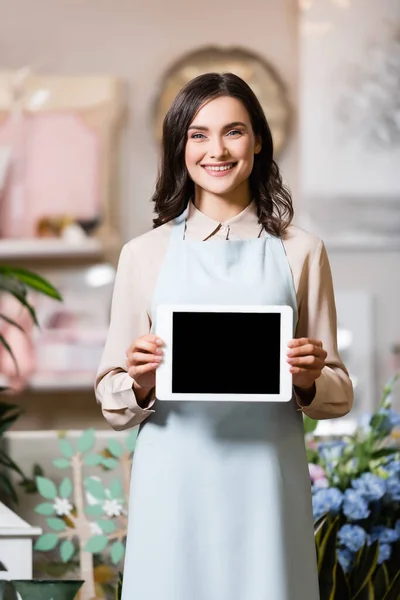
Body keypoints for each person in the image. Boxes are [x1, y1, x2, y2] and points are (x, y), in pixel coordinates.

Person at [95, 72, 353, 600]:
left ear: (258, 140)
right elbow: (110, 399)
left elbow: (339, 392)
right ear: (179, 147)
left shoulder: (302, 251)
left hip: (266, 482)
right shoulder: (143, 255)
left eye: (233, 131)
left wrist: (308, 379)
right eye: (197, 134)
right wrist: (139, 380)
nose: (217, 149)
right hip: (173, 481)